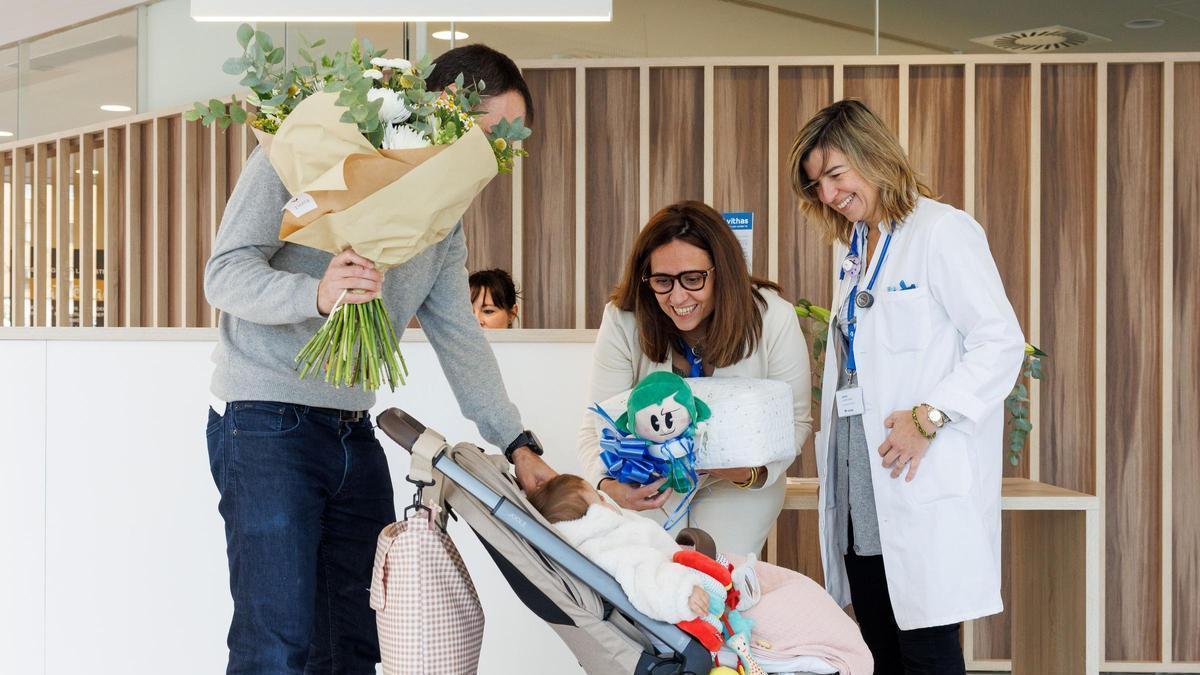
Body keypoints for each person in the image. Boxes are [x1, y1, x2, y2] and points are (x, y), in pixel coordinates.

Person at [203, 44, 555, 674]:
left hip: (351, 428)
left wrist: (518, 444)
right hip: (264, 421)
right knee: (276, 645)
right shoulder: (303, 152)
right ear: (440, 112)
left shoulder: (443, 219)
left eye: (506, 147)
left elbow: (461, 337)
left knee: (358, 643)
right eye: (489, 139)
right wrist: (316, 294)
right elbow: (224, 274)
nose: (495, 159)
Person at [786, 98, 1025, 673]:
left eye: (836, 174)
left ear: (874, 155)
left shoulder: (942, 231)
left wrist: (930, 416)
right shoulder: (853, 248)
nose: (829, 194)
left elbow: (1000, 343)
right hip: (860, 483)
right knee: (878, 649)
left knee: (927, 651)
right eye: (817, 184)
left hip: (916, 479)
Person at [577, 200, 812, 556]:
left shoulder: (773, 317)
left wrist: (750, 473)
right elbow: (597, 424)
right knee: (654, 565)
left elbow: (795, 422)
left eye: (693, 279)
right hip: (649, 477)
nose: (678, 296)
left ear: (722, 272)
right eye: (662, 281)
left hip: (737, 483)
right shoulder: (623, 319)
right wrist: (609, 485)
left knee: (714, 569)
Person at [527, 474, 874, 675]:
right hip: (689, 598)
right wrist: (682, 592)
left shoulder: (607, 536)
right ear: (588, 516)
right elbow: (646, 576)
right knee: (794, 604)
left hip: (698, 572)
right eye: (597, 497)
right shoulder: (612, 548)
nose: (607, 499)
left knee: (790, 589)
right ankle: (819, 655)